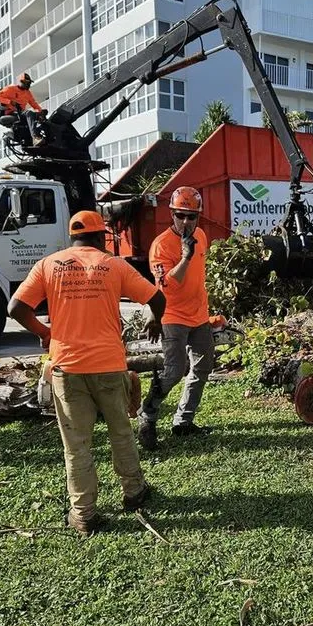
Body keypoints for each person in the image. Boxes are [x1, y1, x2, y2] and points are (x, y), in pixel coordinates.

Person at [8, 210, 166, 536]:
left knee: (76, 445)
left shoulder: (49, 265)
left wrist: (43, 331)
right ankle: (134, 492)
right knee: (120, 432)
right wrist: (155, 319)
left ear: (73, 237)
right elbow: (157, 298)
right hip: (108, 366)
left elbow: (15, 308)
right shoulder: (114, 265)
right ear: (100, 237)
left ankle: (84, 515)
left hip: (66, 368)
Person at [137, 186, 214, 449]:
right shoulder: (161, 245)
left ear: (198, 217)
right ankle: (148, 415)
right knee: (173, 371)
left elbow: (197, 277)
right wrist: (185, 257)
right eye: (180, 215)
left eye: (191, 216)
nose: (186, 222)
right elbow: (169, 285)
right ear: (172, 214)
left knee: (203, 367)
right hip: (172, 316)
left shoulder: (201, 236)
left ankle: (183, 421)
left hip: (199, 315)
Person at [0, 73, 46, 146]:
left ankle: (42, 138)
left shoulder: (28, 93)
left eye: (29, 83)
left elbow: (34, 103)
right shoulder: (10, 89)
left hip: (20, 113)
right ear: (22, 82)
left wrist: (40, 112)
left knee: (36, 116)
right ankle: (35, 137)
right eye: (27, 83)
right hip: (10, 113)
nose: (29, 85)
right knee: (29, 113)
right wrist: (10, 101)